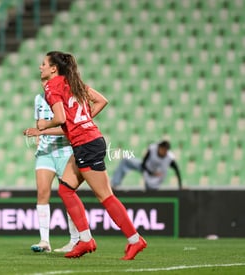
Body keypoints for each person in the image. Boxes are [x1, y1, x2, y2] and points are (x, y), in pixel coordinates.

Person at [36, 51, 147, 260]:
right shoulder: (72, 83)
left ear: (53, 68)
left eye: (43, 64)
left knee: (105, 196)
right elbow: (101, 101)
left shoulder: (51, 86)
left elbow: (59, 117)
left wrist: (44, 124)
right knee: (65, 189)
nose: (40, 67)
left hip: (87, 144)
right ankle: (86, 240)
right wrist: (84, 120)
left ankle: (135, 240)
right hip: (86, 142)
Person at [23, 79, 79, 253]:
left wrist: (40, 131)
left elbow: (68, 128)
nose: (44, 83)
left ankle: (75, 240)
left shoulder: (66, 99)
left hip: (65, 152)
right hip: (45, 153)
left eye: (47, 79)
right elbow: (39, 124)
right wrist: (38, 138)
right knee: (42, 193)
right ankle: (44, 241)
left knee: (68, 195)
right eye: (42, 80)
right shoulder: (38, 99)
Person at [112, 140, 182, 190]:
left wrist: (180, 186)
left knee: (150, 190)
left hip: (155, 178)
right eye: (162, 149)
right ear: (159, 147)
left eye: (165, 150)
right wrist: (150, 172)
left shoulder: (169, 158)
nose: (163, 151)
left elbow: (177, 170)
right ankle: (114, 184)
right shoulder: (153, 149)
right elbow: (143, 164)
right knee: (126, 161)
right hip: (146, 168)